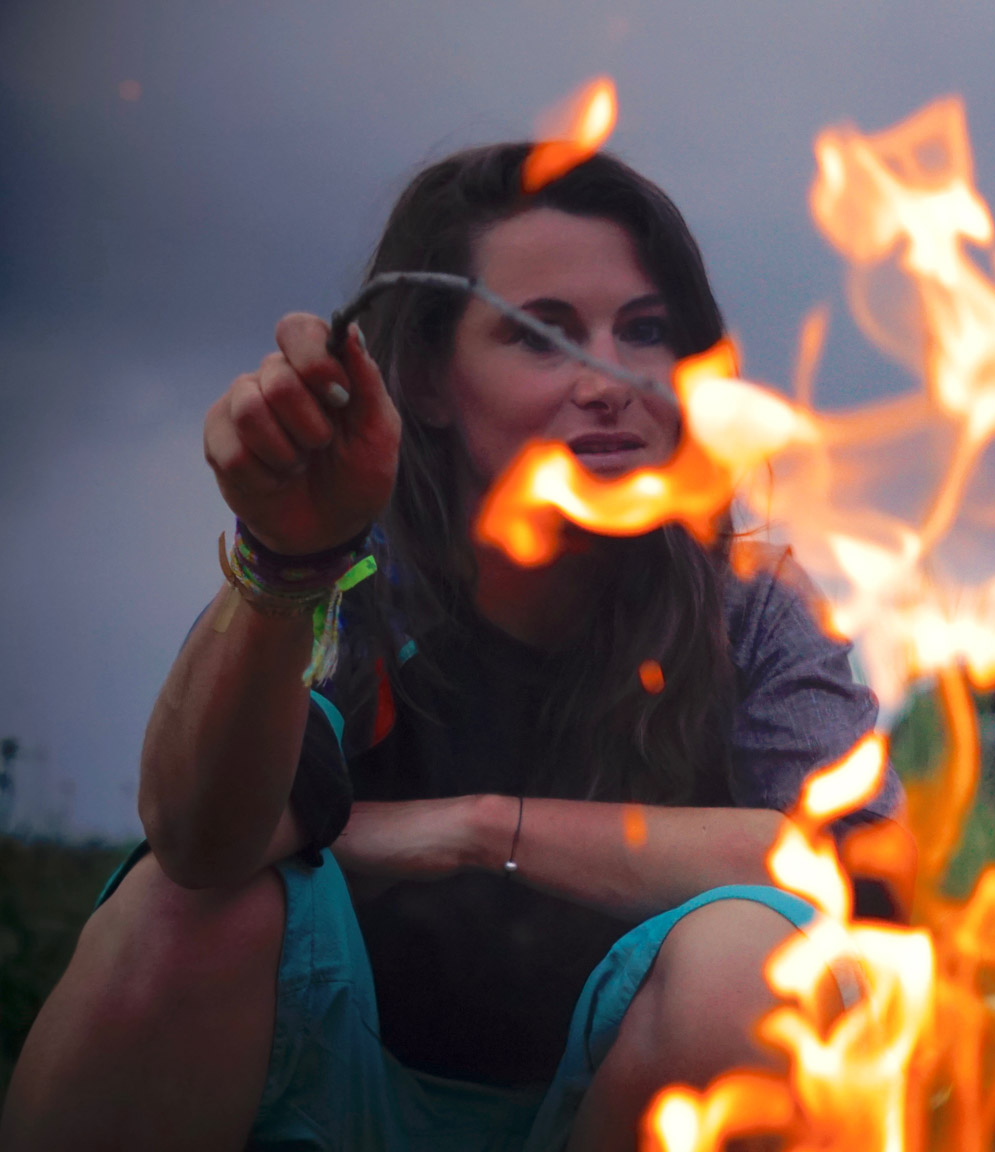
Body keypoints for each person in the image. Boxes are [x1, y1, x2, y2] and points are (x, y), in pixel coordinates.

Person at [0, 144, 898, 1151]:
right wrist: (287, 563)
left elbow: (854, 870)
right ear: (427, 380)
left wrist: (478, 829)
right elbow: (201, 838)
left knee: (754, 959)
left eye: (643, 331)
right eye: (540, 337)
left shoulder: (748, 601)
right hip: (334, 1089)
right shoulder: (362, 575)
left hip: (618, 1102)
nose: (609, 380)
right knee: (186, 910)